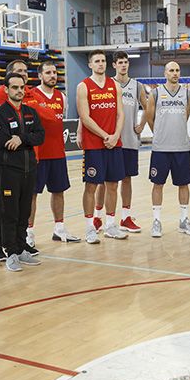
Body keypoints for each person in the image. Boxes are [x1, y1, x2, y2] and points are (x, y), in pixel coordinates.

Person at [0, 73, 45, 271]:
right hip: (8, 170)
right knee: (9, 211)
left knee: (24, 211)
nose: (19, 91)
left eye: (22, 87)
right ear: (6, 90)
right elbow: (5, 140)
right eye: (14, 87)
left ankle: (22, 248)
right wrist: (26, 138)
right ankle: (11, 252)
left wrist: (22, 139)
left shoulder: (31, 111)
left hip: (29, 168)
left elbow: (40, 136)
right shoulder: (0, 113)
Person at [91, 51, 148, 233]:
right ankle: (98, 217)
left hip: (129, 140)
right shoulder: (107, 84)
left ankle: (125, 217)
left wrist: (142, 124)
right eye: (120, 62)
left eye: (126, 62)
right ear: (114, 65)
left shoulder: (137, 86)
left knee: (127, 179)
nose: (123, 65)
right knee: (103, 181)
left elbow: (148, 107)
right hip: (109, 140)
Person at [76, 50, 128, 244]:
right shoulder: (83, 86)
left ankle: (111, 225)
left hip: (114, 143)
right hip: (94, 144)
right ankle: (90, 227)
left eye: (103, 61)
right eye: (96, 61)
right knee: (91, 186)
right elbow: (85, 117)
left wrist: (115, 136)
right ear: (90, 64)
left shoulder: (115, 85)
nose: (100, 64)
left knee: (113, 184)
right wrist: (106, 135)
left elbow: (120, 114)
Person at [28, 61, 81, 243]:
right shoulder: (31, 95)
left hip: (58, 153)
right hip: (37, 155)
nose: (53, 76)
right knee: (32, 195)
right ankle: (28, 233)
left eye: (55, 72)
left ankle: (59, 228)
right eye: (48, 73)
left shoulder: (62, 97)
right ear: (40, 76)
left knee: (59, 192)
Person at [145, 61, 190, 237]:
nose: (175, 73)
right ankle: (156, 221)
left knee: (184, 183)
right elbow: (150, 117)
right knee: (157, 183)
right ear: (165, 73)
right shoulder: (155, 93)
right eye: (171, 70)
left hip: (182, 146)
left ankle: (183, 220)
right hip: (161, 148)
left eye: (177, 70)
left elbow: (187, 114)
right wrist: (159, 133)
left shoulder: (187, 94)